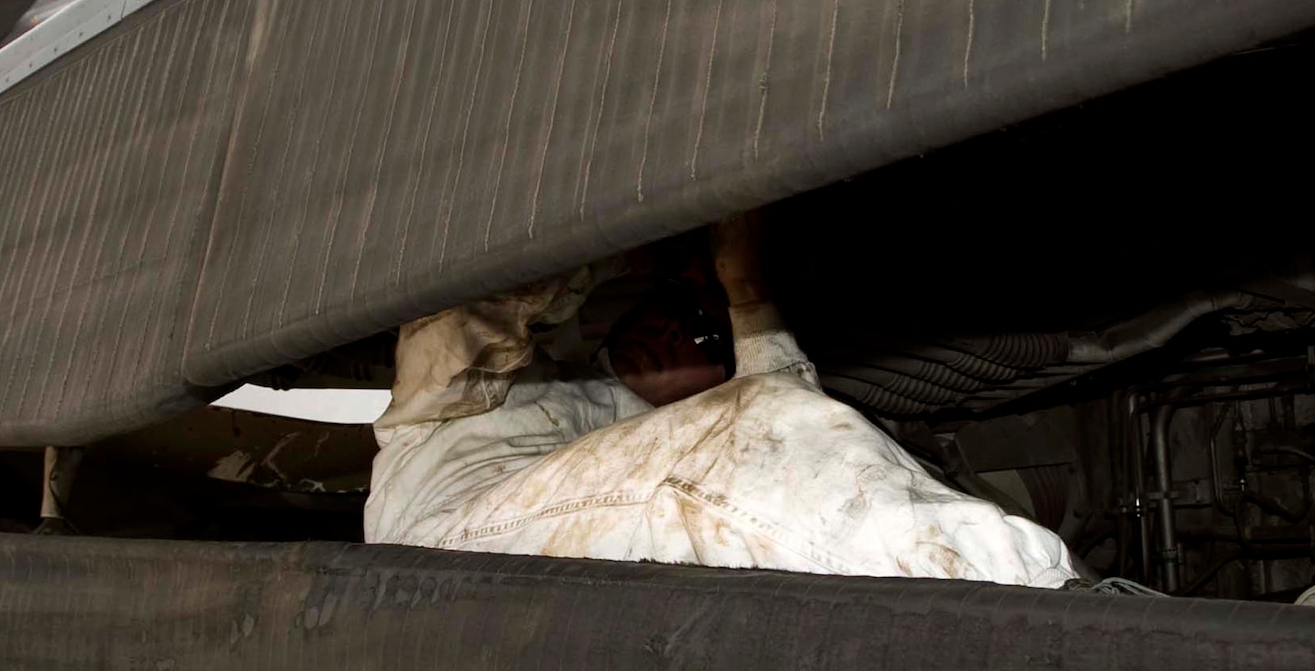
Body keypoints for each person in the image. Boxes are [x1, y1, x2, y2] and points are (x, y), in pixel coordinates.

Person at [364, 215, 1078, 586]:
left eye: (707, 336)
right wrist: (670, 249)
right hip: (433, 540)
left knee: (758, 437)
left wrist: (744, 289)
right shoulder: (488, 393)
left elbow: (771, 400)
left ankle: (1043, 604)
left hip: (487, 575)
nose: (676, 330)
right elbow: (466, 309)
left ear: (723, 374)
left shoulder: (698, 429)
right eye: (676, 306)